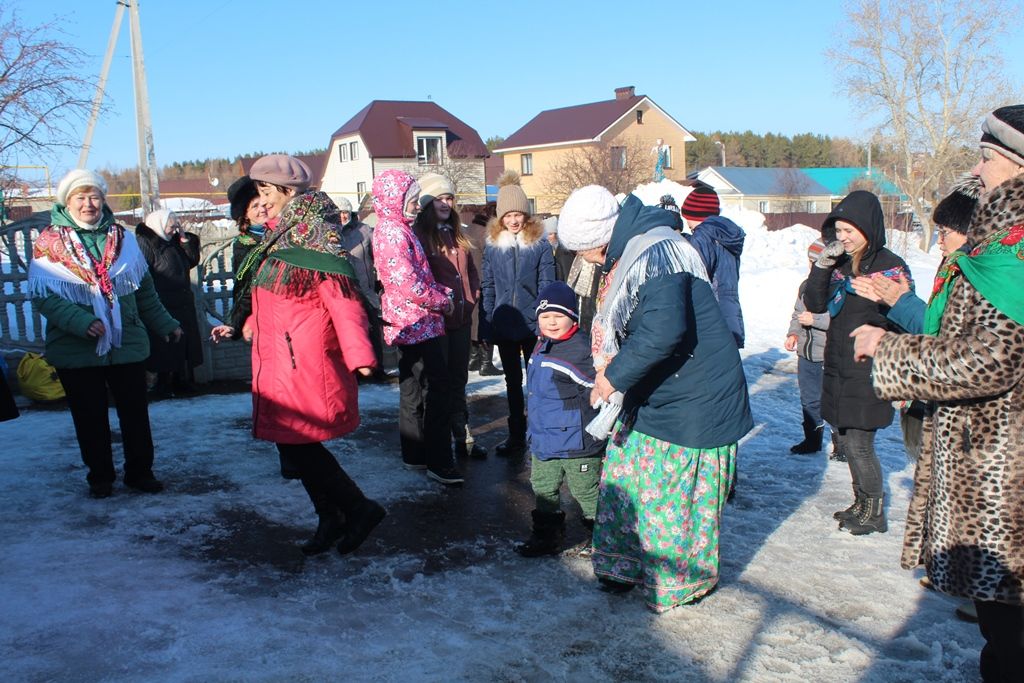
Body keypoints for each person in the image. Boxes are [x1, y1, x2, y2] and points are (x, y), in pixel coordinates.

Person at [852, 104, 1024, 683]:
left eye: (986, 158)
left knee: (1012, 641)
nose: (977, 173)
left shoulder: (1013, 256)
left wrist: (888, 349)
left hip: (1006, 475)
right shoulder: (1000, 253)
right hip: (996, 467)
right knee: (1002, 633)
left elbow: (990, 356)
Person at [557, 185, 753, 613]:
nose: (587, 259)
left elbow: (664, 332)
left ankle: (680, 582)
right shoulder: (636, 251)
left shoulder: (658, 253)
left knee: (672, 496)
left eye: (586, 250)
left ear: (602, 237)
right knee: (625, 479)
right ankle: (622, 566)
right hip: (660, 391)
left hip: (696, 400)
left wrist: (614, 378)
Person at [243, 154, 385, 556]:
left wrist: (360, 353)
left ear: (289, 192)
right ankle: (331, 517)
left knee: (299, 445)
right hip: (278, 358)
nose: (262, 200)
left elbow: (343, 301)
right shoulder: (280, 234)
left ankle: (359, 509)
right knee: (290, 445)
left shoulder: (314, 238)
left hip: (303, 359)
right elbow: (278, 293)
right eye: (259, 192)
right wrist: (253, 319)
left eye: (267, 191)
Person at [28, 169, 182, 498]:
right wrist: (80, 322)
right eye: (80, 198)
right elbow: (44, 296)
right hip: (77, 349)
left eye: (94, 196)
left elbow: (143, 291)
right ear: (67, 202)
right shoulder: (49, 244)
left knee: (135, 415)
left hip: (126, 345)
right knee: (90, 418)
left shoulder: (123, 241)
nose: (89, 204)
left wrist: (166, 324)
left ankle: (140, 472)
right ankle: (100, 476)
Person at [804, 190, 913, 536]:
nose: (842, 238)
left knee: (860, 444)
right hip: (838, 365)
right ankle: (860, 501)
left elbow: (903, 318)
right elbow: (816, 303)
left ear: (868, 227)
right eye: (838, 231)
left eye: (849, 231)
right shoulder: (838, 265)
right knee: (846, 440)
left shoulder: (890, 267)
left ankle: (874, 510)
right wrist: (822, 265)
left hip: (868, 368)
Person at [851, 175, 980, 463]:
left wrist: (900, 302)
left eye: (945, 232)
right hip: (937, 397)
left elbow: (952, 340)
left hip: (960, 410)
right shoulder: (954, 268)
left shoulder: (973, 273)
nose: (940, 242)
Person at [371, 169, 463, 485]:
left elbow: (415, 278)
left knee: (413, 387)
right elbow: (407, 284)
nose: (414, 205)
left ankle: (415, 454)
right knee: (437, 389)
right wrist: (441, 300)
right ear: (395, 201)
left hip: (412, 321)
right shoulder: (393, 234)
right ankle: (439, 461)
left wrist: (441, 293)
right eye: (410, 199)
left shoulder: (397, 229)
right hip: (417, 323)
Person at [516, 282, 605, 557]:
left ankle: (605, 539)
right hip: (544, 438)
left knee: (586, 490)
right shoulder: (542, 345)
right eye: (545, 317)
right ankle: (546, 536)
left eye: (558, 316)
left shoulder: (580, 350)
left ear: (573, 317)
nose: (551, 322)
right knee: (542, 487)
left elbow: (599, 391)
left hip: (577, 442)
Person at [480, 171, 556, 457]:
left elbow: (548, 283)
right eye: (508, 215)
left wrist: (544, 321)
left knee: (539, 381)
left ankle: (540, 433)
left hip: (532, 324)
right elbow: (487, 285)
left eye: (518, 214)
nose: (514, 220)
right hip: (504, 323)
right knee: (512, 382)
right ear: (500, 217)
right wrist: (487, 324)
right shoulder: (493, 246)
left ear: (526, 215)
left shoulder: (539, 245)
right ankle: (515, 435)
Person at [413, 173, 486, 459]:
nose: (445, 203)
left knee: (459, 378)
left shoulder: (458, 234)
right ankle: (438, 442)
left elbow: (471, 273)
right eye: (439, 199)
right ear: (427, 203)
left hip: (462, 318)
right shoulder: (420, 236)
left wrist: (474, 294)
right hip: (436, 322)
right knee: (438, 383)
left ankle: (462, 434)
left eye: (449, 198)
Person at [134, 209, 203, 397]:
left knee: (182, 345)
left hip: (181, 303)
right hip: (161, 304)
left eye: (176, 226)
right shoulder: (146, 243)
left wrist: (184, 239)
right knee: (164, 347)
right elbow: (142, 274)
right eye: (172, 226)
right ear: (159, 225)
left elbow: (191, 260)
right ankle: (161, 385)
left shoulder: (172, 242)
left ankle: (182, 381)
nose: (175, 230)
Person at [680, 183, 746, 349]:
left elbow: (695, 270)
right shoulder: (724, 235)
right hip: (728, 310)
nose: (686, 222)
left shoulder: (703, 236)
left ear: (695, 214)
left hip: (710, 315)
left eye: (687, 216)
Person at [784, 239, 830, 455]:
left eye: (817, 263)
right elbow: (797, 313)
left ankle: (841, 445)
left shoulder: (837, 286)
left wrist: (816, 320)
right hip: (806, 351)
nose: (812, 267)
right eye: (810, 262)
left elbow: (839, 320)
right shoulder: (805, 286)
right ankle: (812, 440)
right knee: (809, 398)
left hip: (828, 353)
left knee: (832, 399)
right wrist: (793, 333)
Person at [210, 176, 268, 343]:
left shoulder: (279, 234)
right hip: (261, 315)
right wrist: (233, 323)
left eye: (263, 204)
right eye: (255, 206)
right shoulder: (244, 244)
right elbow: (244, 289)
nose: (262, 209)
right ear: (246, 215)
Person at [336, 196, 385, 378]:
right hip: (345, 291)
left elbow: (378, 255)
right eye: (339, 212)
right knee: (353, 330)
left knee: (372, 329)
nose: (342, 216)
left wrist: (379, 278)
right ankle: (354, 371)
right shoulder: (331, 232)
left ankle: (378, 369)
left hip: (366, 288)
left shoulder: (364, 230)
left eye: (345, 212)